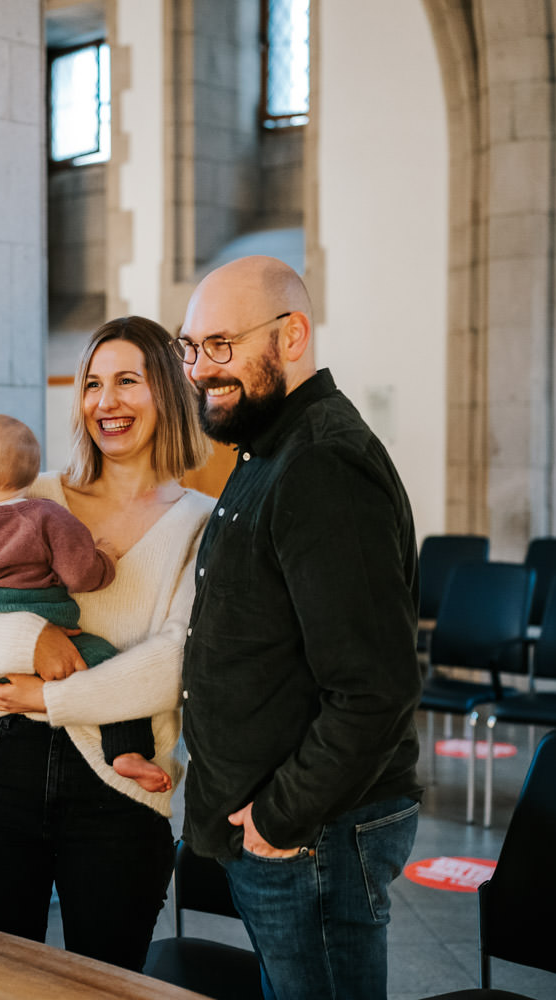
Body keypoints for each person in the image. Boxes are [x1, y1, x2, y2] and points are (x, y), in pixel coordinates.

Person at [0, 315, 213, 972]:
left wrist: (50, 697)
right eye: (92, 384)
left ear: (167, 390)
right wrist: (32, 635)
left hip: (118, 789)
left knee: (106, 987)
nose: (106, 402)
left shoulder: (199, 522)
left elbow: (173, 663)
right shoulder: (30, 494)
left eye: (127, 381)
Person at [175, 255, 423, 1000]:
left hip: (317, 835)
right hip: (293, 832)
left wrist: (279, 820)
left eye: (221, 345)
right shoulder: (271, 449)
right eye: (190, 348)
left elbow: (375, 689)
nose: (199, 370)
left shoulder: (320, 463)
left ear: (292, 337)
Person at [0, 412, 171, 796]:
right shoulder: (46, 515)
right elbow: (81, 574)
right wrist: (104, 557)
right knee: (108, 661)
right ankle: (127, 751)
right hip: (55, 638)